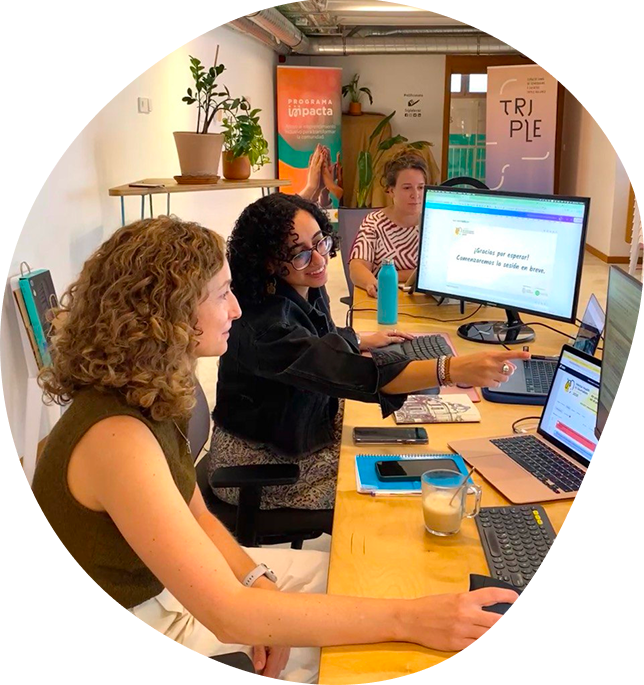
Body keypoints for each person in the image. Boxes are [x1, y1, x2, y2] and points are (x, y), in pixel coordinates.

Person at [30, 215, 518, 681]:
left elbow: (196, 514)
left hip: (175, 590)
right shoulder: (117, 439)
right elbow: (228, 616)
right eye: (222, 295)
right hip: (155, 612)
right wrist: (409, 620)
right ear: (169, 312)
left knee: (355, 576)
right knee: (379, 652)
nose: (236, 310)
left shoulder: (148, 387)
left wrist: (256, 579)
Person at [209, 193, 528, 512]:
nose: (319, 260)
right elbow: (352, 372)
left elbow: (316, 341)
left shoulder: (301, 284)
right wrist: (450, 369)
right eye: (300, 255)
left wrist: (359, 339)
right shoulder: (266, 328)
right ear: (268, 262)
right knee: (404, 491)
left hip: (299, 426)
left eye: (320, 243)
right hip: (262, 464)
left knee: (422, 451)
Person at [349, 152, 428, 297]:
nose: (415, 194)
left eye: (420, 187)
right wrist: (372, 284)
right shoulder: (374, 222)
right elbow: (357, 267)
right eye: (407, 188)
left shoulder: (433, 223)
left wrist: (391, 275)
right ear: (391, 191)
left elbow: (440, 272)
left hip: (425, 302)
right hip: (383, 297)